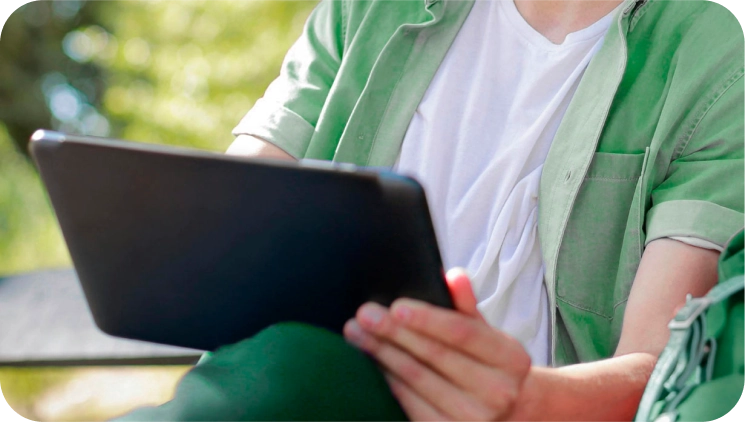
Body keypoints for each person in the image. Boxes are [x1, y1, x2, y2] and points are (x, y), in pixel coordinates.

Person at [113, 0, 745, 420]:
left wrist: (522, 399)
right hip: (290, 383)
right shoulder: (369, 9)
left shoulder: (719, 53)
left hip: (521, 411)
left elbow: (663, 376)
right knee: (288, 365)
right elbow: (236, 204)